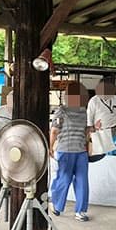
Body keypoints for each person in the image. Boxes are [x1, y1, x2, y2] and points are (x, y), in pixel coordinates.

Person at [50, 81, 92, 222]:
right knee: (82, 181)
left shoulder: (61, 111)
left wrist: (50, 147)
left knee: (63, 178)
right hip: (81, 151)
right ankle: (80, 212)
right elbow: (87, 133)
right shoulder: (83, 111)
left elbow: (54, 131)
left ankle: (57, 206)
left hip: (65, 150)